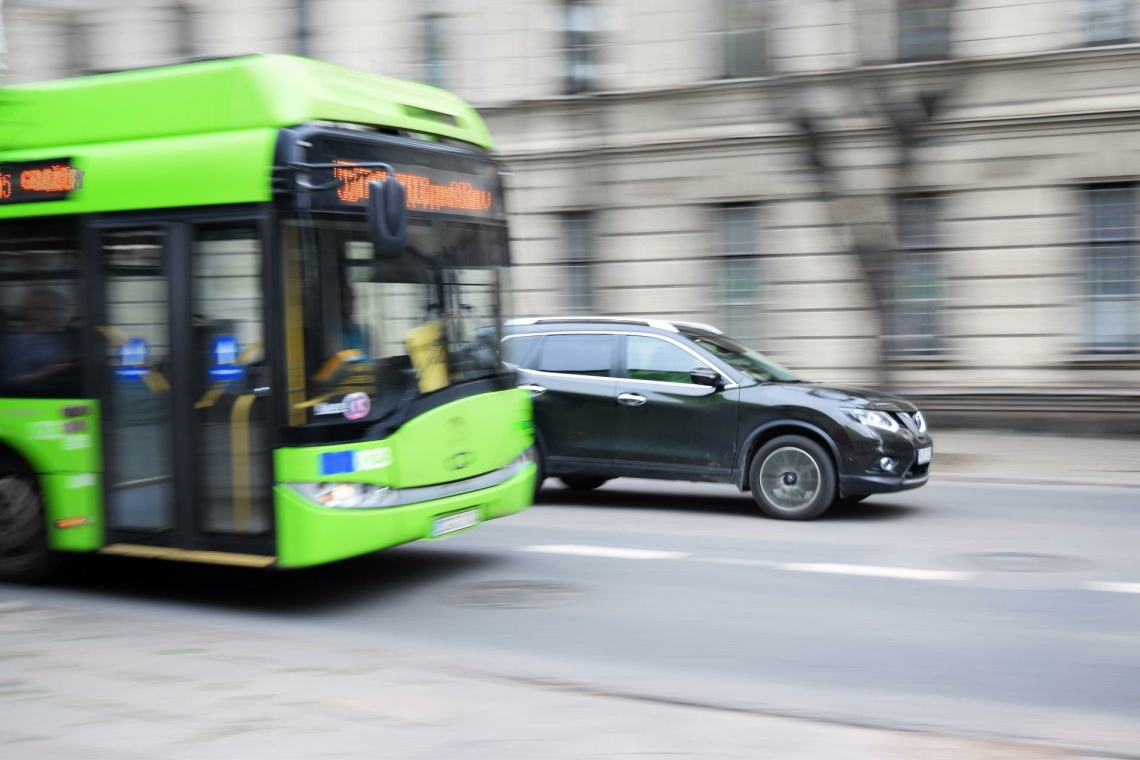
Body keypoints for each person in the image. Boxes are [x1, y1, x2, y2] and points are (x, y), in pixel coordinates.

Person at [1, 288, 77, 393]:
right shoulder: (15, 341)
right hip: (30, 398)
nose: (49, 314)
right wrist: (44, 373)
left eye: (52, 309)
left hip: (63, 394)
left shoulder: (60, 337)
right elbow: (11, 381)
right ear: (29, 311)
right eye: (43, 309)